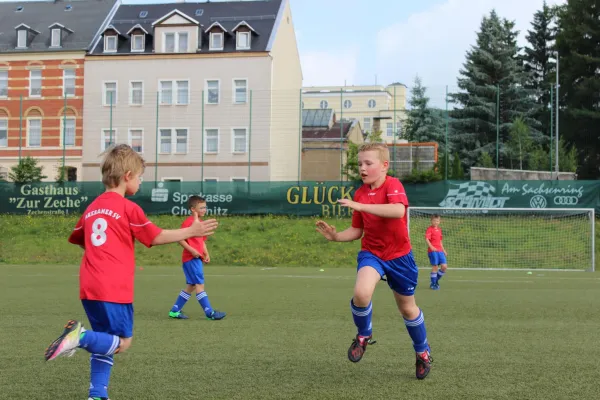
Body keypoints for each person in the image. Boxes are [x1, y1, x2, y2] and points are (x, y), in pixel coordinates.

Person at [43, 144, 219, 400]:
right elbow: (155, 236)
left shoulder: (93, 207)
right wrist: (191, 232)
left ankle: (97, 393)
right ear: (127, 176)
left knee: (103, 341)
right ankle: (77, 336)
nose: (140, 182)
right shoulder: (127, 208)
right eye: (139, 177)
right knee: (122, 343)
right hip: (114, 287)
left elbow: (80, 239)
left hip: (89, 285)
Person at [316, 142, 432, 380]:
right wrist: (336, 236)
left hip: (400, 258)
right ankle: (364, 334)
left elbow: (398, 211)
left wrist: (360, 205)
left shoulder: (392, 185)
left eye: (369, 163)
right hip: (373, 253)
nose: (363, 168)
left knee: (407, 309)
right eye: (360, 164)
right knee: (361, 293)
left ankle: (422, 353)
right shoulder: (360, 193)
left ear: (384, 166)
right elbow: (357, 231)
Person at [168, 195, 226, 320]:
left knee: (191, 286)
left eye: (205, 207)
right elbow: (180, 238)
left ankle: (174, 310)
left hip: (196, 259)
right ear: (193, 209)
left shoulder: (200, 224)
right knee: (200, 285)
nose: (205, 209)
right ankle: (209, 312)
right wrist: (192, 250)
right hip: (191, 259)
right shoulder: (189, 222)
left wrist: (206, 253)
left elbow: (202, 241)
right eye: (201, 208)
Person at [425, 214, 447, 290]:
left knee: (444, 267)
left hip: (440, 251)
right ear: (431, 221)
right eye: (434, 220)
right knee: (435, 267)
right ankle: (433, 284)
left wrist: (443, 250)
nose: (436, 222)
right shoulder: (429, 229)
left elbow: (440, 241)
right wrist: (431, 247)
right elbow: (427, 239)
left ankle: (435, 280)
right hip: (433, 251)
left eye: (437, 221)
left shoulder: (439, 230)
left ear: (439, 221)